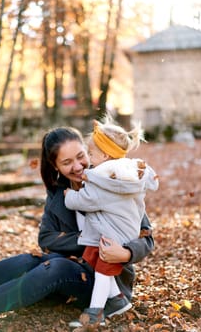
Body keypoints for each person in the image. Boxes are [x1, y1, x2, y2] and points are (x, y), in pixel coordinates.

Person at [0, 126, 154, 327]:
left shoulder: (113, 182)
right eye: (67, 162)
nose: (78, 167)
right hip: (70, 267)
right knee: (27, 260)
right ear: (56, 166)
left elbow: (146, 236)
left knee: (55, 266)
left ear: (89, 151)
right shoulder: (58, 194)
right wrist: (86, 239)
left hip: (106, 279)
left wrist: (125, 253)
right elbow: (46, 238)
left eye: (81, 156)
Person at [65, 118, 159, 327]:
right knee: (100, 266)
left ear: (105, 155)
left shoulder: (105, 180)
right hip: (125, 232)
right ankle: (118, 300)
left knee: (101, 274)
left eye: (91, 154)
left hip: (114, 237)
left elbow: (86, 201)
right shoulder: (129, 172)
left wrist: (69, 195)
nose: (88, 159)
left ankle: (94, 315)